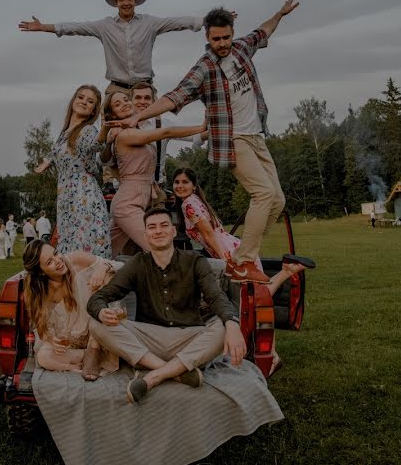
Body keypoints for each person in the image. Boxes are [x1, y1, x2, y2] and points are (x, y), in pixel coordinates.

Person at [115, 0, 300, 283]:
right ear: (207, 37)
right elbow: (173, 97)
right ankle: (242, 261)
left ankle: (239, 245)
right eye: (216, 39)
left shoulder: (241, 48)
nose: (222, 43)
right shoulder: (204, 69)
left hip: (257, 136)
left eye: (226, 37)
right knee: (263, 194)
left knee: (276, 200)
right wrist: (137, 116)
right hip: (231, 139)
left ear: (232, 33)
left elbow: (263, 32)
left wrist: (280, 14)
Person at [87, 207, 246, 404]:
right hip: (149, 341)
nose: (158, 231)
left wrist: (232, 323)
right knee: (96, 324)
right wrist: (102, 311)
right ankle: (176, 372)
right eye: (152, 227)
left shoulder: (195, 261)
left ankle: (153, 376)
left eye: (164, 225)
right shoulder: (138, 263)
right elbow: (99, 297)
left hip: (188, 337)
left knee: (222, 327)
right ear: (145, 235)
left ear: (173, 231)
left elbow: (216, 296)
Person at [18, 0, 206, 96]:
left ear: (135, 2)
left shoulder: (150, 23)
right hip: (117, 89)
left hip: (144, 89)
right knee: (112, 139)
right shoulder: (104, 26)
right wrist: (44, 27)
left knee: (149, 136)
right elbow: (75, 28)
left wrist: (209, 19)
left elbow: (177, 22)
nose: (126, 3)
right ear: (116, 3)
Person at [101, 91, 206, 257]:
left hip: (139, 199)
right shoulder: (124, 135)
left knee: (103, 254)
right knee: (160, 249)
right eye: (118, 104)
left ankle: (83, 279)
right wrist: (203, 126)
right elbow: (167, 132)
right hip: (127, 205)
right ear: (112, 114)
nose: (125, 103)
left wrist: (211, 131)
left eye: (126, 99)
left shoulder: (134, 131)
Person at [171, 168, 312, 288]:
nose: (180, 186)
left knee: (253, 293)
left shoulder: (188, 205)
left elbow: (208, 234)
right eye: (176, 182)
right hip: (233, 246)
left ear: (194, 186)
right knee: (254, 291)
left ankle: (289, 270)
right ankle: (289, 270)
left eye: (185, 182)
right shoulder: (195, 200)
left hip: (227, 252)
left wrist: (224, 261)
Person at [23, 240, 123, 380]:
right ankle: (75, 367)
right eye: (49, 262)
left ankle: (94, 351)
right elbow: (42, 329)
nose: (58, 261)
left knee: (107, 276)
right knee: (43, 357)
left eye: (56, 253)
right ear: (41, 273)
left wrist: (103, 266)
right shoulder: (37, 292)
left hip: (96, 334)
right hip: (71, 344)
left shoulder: (76, 260)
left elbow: (122, 267)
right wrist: (52, 340)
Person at [34, 85, 112, 258]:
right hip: (66, 198)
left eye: (90, 101)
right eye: (81, 97)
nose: (84, 102)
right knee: (68, 249)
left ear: (93, 110)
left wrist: (105, 128)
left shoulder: (87, 130)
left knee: (84, 247)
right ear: (73, 100)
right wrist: (46, 162)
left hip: (83, 197)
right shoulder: (65, 133)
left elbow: (95, 144)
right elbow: (56, 152)